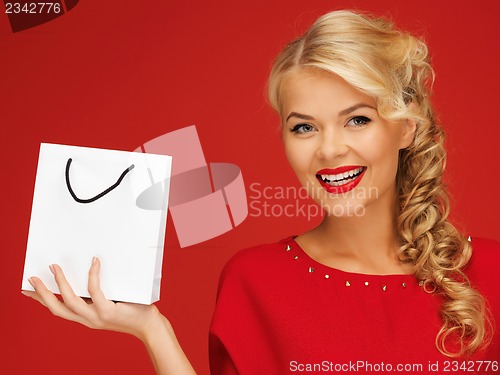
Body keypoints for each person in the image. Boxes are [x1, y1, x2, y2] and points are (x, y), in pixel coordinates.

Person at [23, 9, 499, 375]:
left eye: (357, 119)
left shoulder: (492, 272)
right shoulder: (255, 282)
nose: (330, 149)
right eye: (304, 127)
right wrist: (152, 328)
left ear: (407, 129)